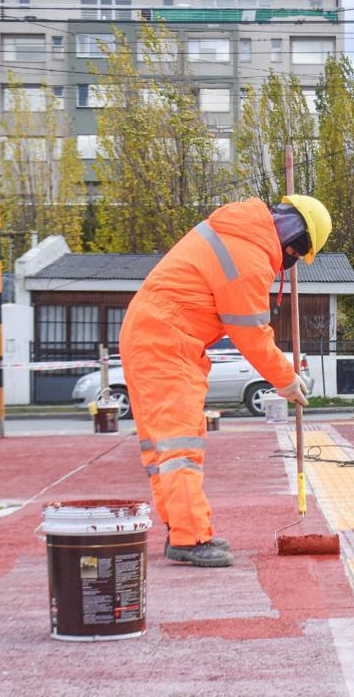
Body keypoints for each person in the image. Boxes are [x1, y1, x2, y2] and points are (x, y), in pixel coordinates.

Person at [120, 195, 332, 568]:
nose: (293, 261)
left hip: (153, 336)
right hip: (167, 341)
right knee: (179, 445)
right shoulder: (247, 257)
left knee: (163, 450)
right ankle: (190, 538)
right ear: (293, 239)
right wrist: (286, 379)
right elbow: (249, 331)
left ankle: (179, 528)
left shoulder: (240, 232)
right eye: (298, 254)